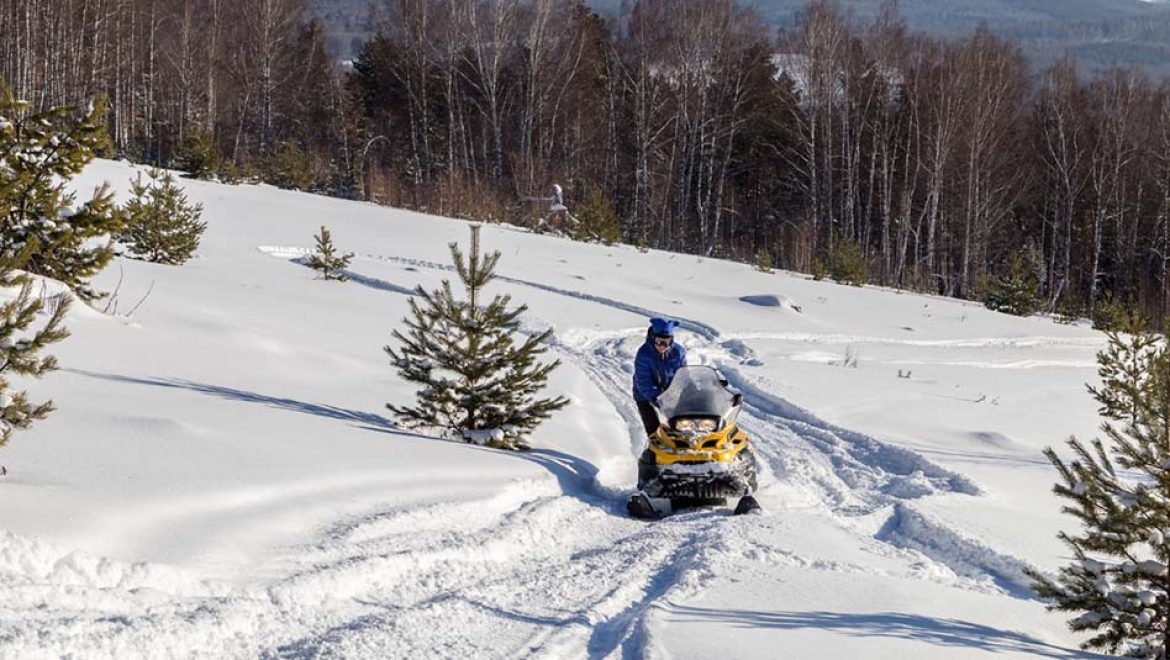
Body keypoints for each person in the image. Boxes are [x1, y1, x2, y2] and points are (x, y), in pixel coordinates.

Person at [632, 317, 687, 439]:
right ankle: (652, 455)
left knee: (680, 428)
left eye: (667, 342)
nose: (663, 346)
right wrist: (656, 398)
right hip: (646, 397)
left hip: (669, 395)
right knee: (655, 433)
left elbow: (683, 374)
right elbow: (643, 381)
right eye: (659, 342)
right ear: (652, 339)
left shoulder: (678, 352)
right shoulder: (644, 354)